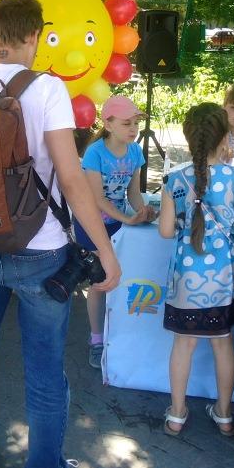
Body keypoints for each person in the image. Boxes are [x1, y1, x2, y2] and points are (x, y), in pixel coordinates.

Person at [0, 0, 121, 468]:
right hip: (39, 249)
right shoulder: (47, 88)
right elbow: (70, 178)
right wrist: (104, 251)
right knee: (44, 374)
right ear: (34, 36)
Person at [158, 103, 234, 437]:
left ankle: (176, 414)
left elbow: (166, 231)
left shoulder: (173, 179)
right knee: (223, 343)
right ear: (224, 136)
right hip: (225, 277)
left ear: (189, 138)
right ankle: (225, 415)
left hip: (186, 277)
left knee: (183, 344)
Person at [77, 94, 156, 369]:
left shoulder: (135, 152)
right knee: (100, 282)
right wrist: (129, 219)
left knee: (120, 278)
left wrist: (142, 211)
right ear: (108, 125)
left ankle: (119, 333)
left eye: (135, 123)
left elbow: (133, 193)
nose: (133, 128)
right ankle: (96, 340)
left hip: (119, 221)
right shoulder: (95, 153)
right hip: (92, 223)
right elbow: (97, 199)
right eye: (126, 123)